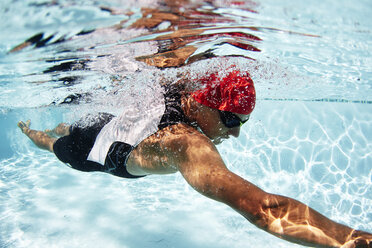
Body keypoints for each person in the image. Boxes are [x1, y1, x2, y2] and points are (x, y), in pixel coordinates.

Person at [18, 70, 371, 248]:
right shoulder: (185, 143)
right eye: (231, 119)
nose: (235, 133)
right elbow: (265, 210)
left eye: (243, 121)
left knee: (74, 126)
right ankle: (29, 130)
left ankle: (58, 127)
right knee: (50, 143)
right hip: (92, 153)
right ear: (199, 101)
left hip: (107, 125)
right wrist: (353, 240)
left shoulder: (184, 87)